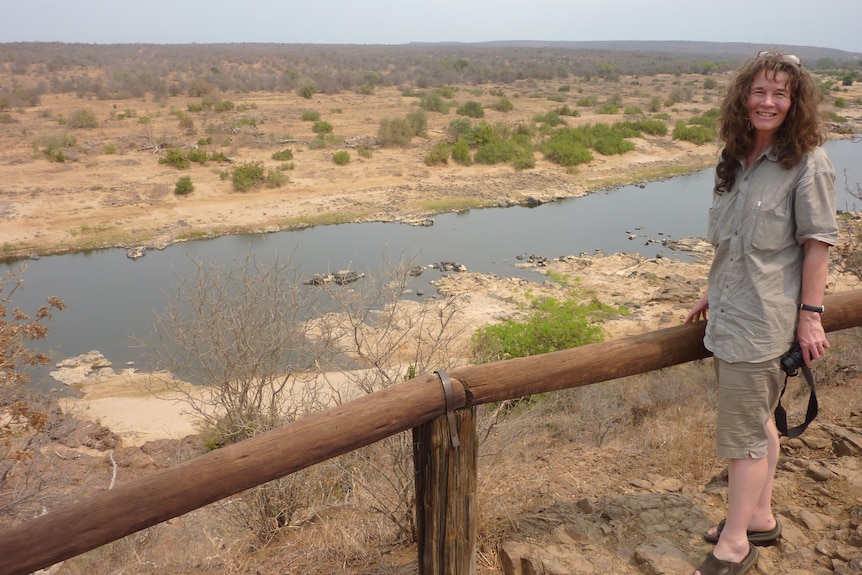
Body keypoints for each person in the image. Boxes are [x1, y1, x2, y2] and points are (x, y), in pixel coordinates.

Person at [685, 51, 838, 575]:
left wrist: (811, 316)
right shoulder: (735, 157)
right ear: (743, 98)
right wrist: (714, 289)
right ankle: (759, 516)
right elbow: (733, 243)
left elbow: (816, 244)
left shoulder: (808, 162)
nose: (767, 102)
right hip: (730, 311)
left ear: (794, 103)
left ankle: (733, 542)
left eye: (779, 94)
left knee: (741, 437)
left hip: (761, 323)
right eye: (759, 91)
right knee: (760, 425)